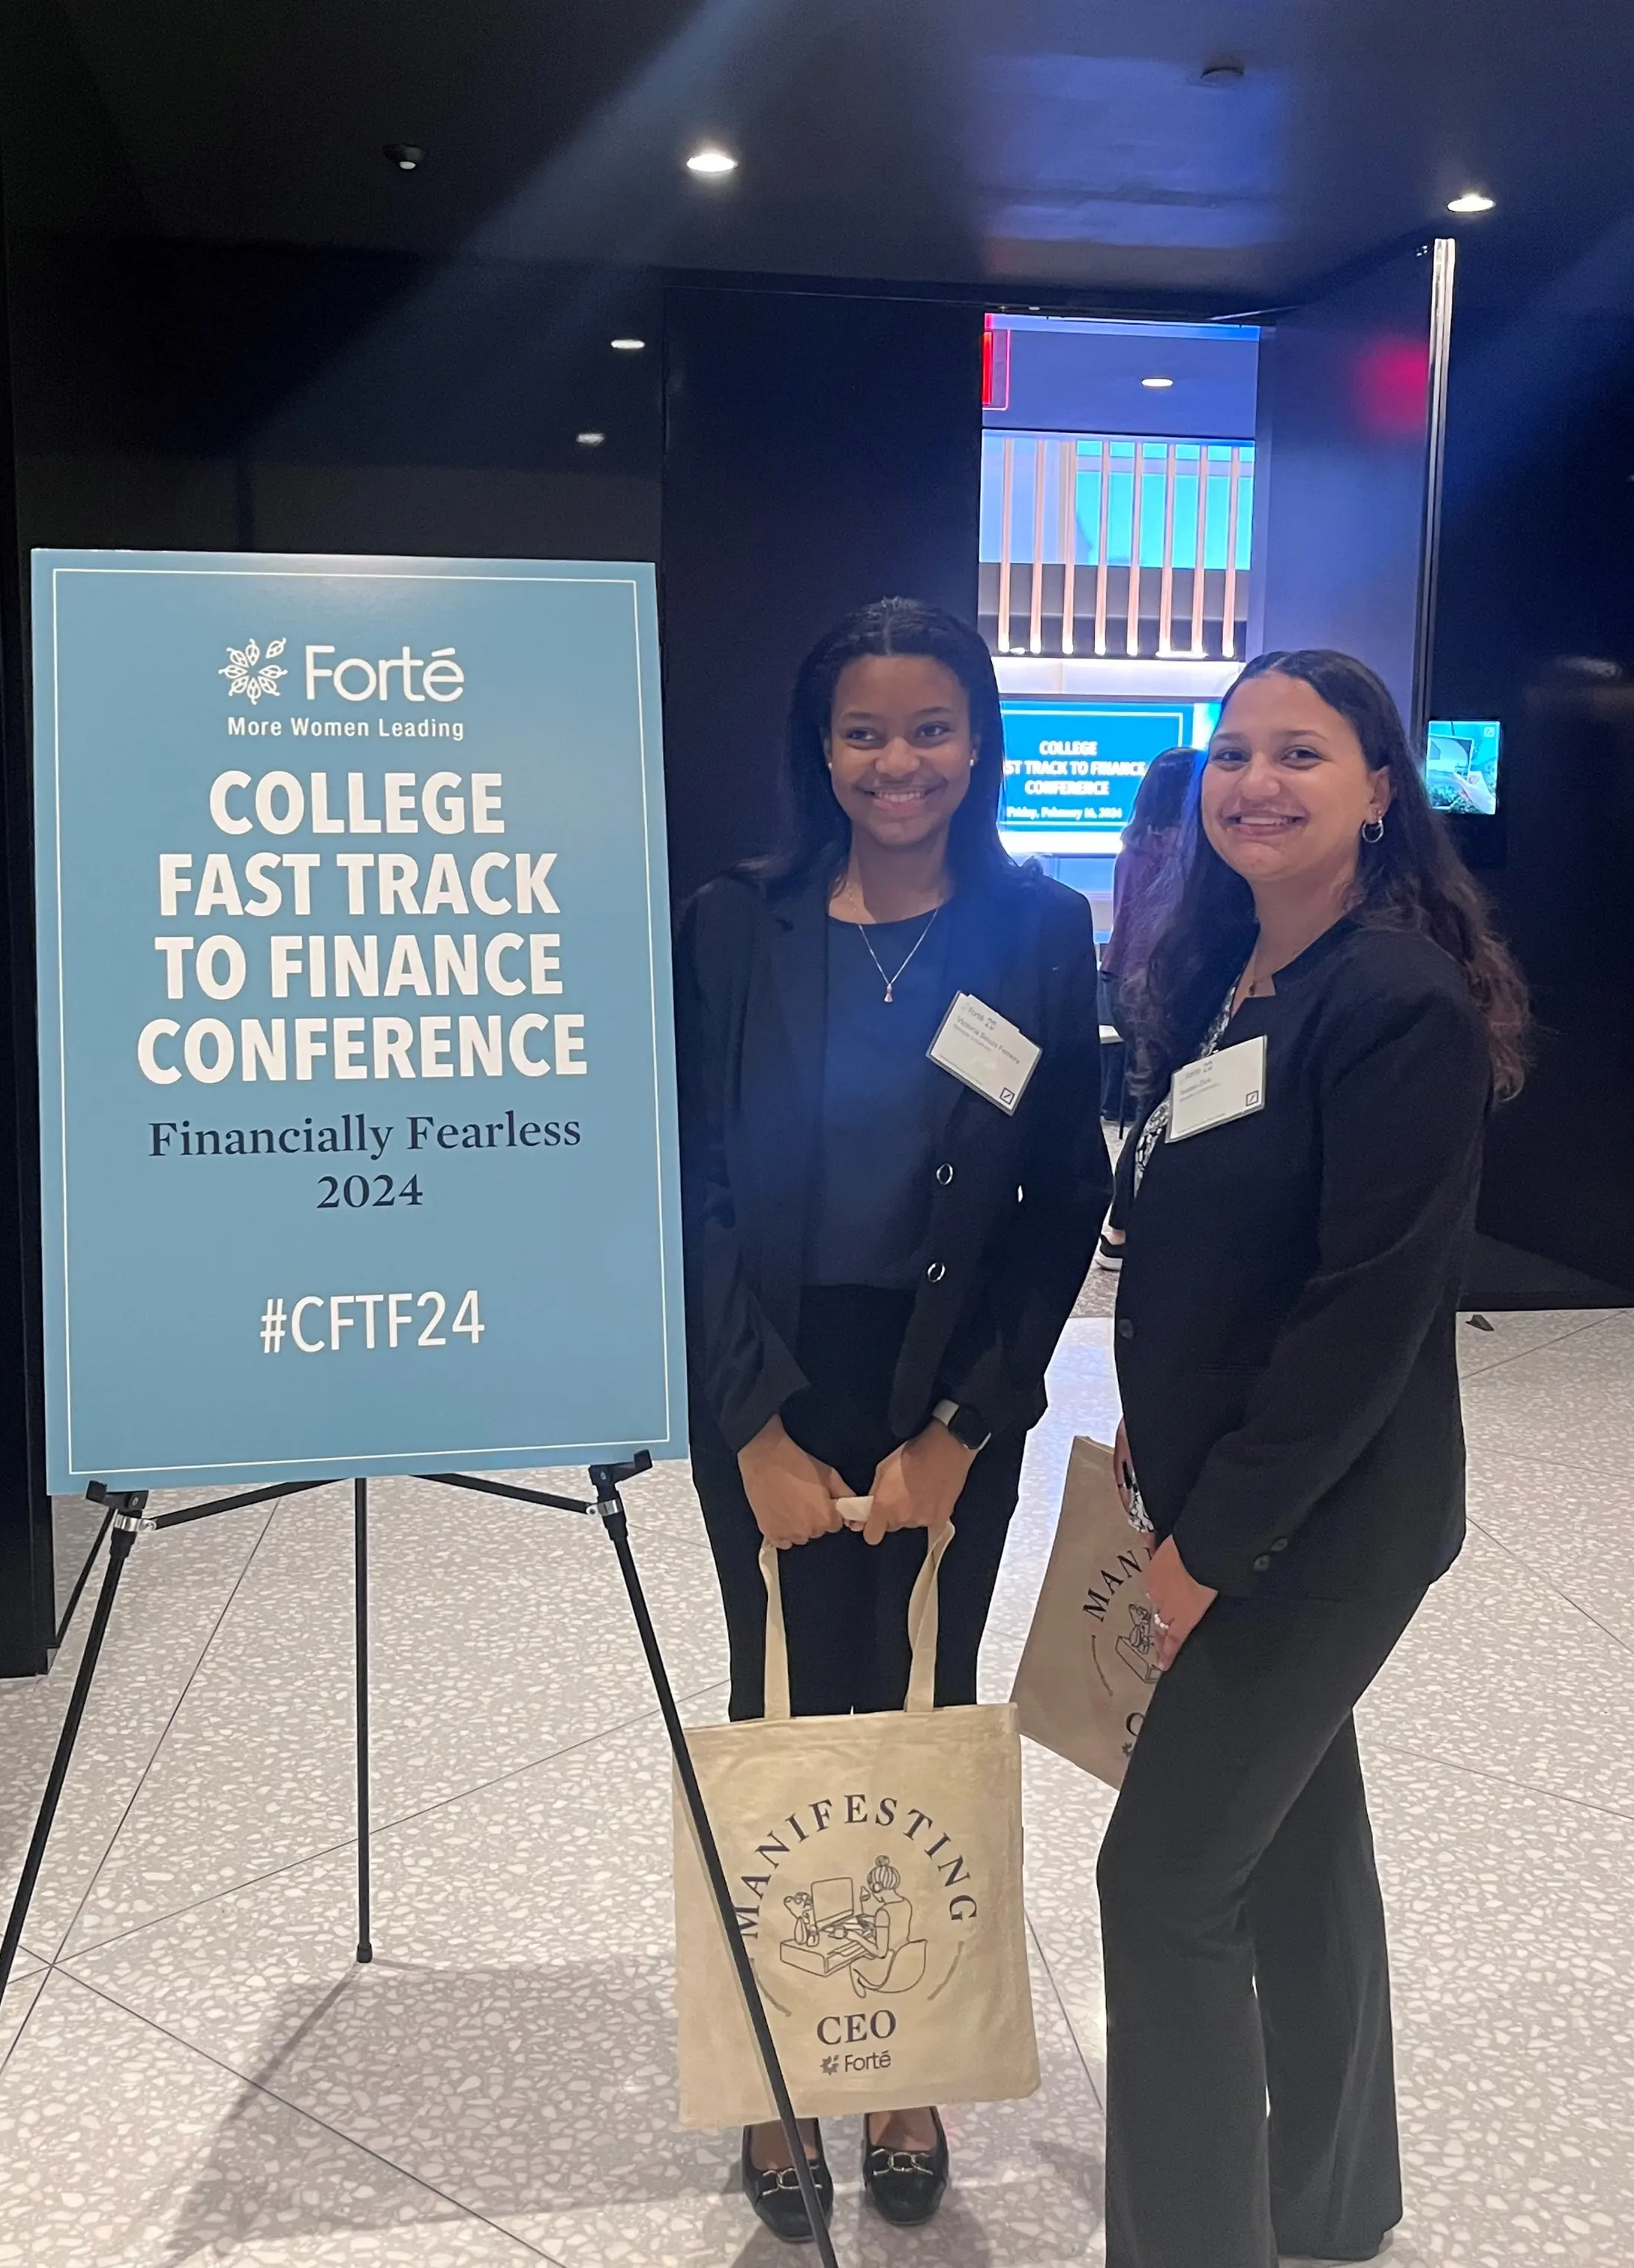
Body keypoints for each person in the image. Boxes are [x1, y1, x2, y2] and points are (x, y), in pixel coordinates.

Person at [675, 596, 1110, 2242]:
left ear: (980, 740)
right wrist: (750, 1425)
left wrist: (972, 1428)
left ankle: (905, 2061)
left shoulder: (1039, 933)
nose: (899, 760)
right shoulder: (737, 922)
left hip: (943, 1388)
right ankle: (779, 2066)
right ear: (821, 746)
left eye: (932, 727)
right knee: (783, 1700)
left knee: (920, 1699)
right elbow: (694, 1181)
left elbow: (1064, 1195)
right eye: (865, 730)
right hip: (772, 1383)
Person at [1097, 649, 1528, 2268]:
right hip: (1235, 1489)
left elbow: (1365, 1317)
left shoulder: (1393, 998)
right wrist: (1161, 1419)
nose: (1255, 781)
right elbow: (1220, 1249)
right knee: (1289, 1840)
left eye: (1300, 753)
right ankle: (1333, 2206)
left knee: (1163, 1888)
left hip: (1317, 1522)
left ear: (1376, 794)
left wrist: (1209, 1548)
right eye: (1232, 753)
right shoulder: (1243, 976)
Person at [1095, 745, 1197, 1268]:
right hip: (1162, 987)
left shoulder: (1132, 848)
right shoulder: (1191, 851)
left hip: (1119, 984)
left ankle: (1125, 1226)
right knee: (1163, 1109)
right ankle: (1120, 1225)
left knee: (1149, 1106)